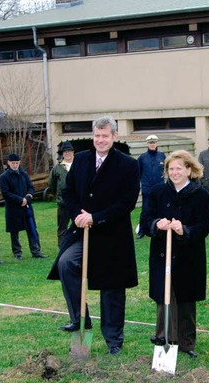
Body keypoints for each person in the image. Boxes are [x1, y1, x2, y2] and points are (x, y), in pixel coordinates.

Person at [47, 116, 140, 355]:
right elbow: (68, 193)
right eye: (97, 136)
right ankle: (81, 319)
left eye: (105, 136)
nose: (100, 140)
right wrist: (78, 214)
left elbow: (127, 202)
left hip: (112, 235)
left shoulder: (128, 164)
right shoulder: (81, 160)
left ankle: (113, 340)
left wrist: (96, 217)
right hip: (83, 231)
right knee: (67, 263)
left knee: (112, 288)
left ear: (114, 137)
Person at [141, 150, 209, 357]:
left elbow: (204, 227)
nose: (174, 173)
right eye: (171, 169)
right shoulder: (157, 192)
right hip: (162, 253)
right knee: (164, 295)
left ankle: (186, 343)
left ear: (189, 170)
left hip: (189, 256)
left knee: (185, 299)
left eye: (179, 168)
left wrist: (185, 230)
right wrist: (156, 224)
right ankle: (163, 337)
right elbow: (146, 221)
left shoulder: (200, 195)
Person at [0, 154, 48, 260]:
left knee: (31, 228)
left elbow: (31, 187)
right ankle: (17, 252)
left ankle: (36, 250)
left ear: (19, 162)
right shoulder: (4, 177)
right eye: (13, 163)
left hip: (26, 207)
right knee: (14, 231)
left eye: (17, 163)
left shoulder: (24, 174)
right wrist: (20, 200)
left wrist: (27, 197)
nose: (15, 165)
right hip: (13, 208)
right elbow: (6, 193)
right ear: (8, 163)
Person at [137, 135, 166, 238]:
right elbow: (138, 173)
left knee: (160, 210)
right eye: (150, 143)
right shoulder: (142, 157)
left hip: (160, 189)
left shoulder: (162, 156)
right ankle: (142, 231)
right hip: (147, 189)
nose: (152, 144)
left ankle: (159, 229)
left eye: (154, 143)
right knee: (145, 210)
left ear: (156, 143)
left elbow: (166, 171)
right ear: (147, 144)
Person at [49, 141, 75, 247]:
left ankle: (78, 246)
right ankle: (62, 248)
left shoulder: (78, 165)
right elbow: (52, 185)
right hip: (63, 203)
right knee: (62, 228)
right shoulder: (57, 169)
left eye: (69, 151)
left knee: (79, 226)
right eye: (65, 151)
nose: (67, 153)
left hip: (77, 203)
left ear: (73, 152)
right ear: (62, 153)